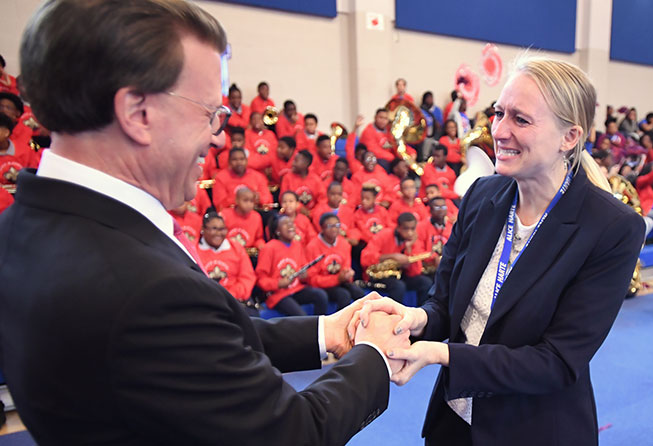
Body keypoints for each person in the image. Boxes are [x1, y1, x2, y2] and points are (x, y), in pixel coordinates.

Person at [0, 2, 410, 444]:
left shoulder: (25, 225)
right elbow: (292, 433)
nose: (217, 136)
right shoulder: (144, 288)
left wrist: (326, 331)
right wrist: (373, 354)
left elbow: (198, 340)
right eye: (209, 113)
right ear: (138, 114)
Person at [352, 57, 645, 445]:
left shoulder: (611, 227)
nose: (500, 131)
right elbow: (445, 305)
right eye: (498, 113)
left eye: (520, 120)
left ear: (569, 137)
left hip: (533, 429)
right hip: (453, 421)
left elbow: (556, 362)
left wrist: (443, 356)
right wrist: (415, 318)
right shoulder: (481, 195)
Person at [256, 214, 329, 316]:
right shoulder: (269, 248)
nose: (291, 226)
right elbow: (261, 280)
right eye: (285, 224)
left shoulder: (297, 245)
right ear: (277, 231)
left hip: (296, 289)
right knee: (301, 316)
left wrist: (304, 275)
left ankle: (319, 328)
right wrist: (278, 283)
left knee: (321, 295)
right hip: (278, 295)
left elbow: (303, 267)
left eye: (291, 223)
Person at [361, 212, 433, 305]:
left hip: (399, 275)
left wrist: (408, 248)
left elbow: (415, 273)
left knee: (425, 282)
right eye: (406, 229)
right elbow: (365, 258)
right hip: (379, 275)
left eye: (412, 229)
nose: (410, 232)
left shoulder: (412, 240)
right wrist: (392, 256)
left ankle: (420, 314)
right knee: (399, 286)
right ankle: (393, 317)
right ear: (398, 227)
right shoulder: (384, 235)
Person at [306, 213, 365, 309]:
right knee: (344, 295)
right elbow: (312, 279)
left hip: (339, 281)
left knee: (359, 293)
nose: (334, 229)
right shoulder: (312, 247)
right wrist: (336, 279)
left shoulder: (344, 243)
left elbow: (346, 266)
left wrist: (347, 274)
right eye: (330, 226)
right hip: (323, 284)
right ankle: (339, 323)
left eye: (337, 225)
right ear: (322, 228)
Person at [196, 212, 257, 305]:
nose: (218, 233)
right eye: (214, 229)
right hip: (205, 301)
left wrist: (230, 294)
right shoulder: (193, 249)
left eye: (222, 229)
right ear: (203, 229)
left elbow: (247, 278)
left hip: (235, 299)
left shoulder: (236, 248)